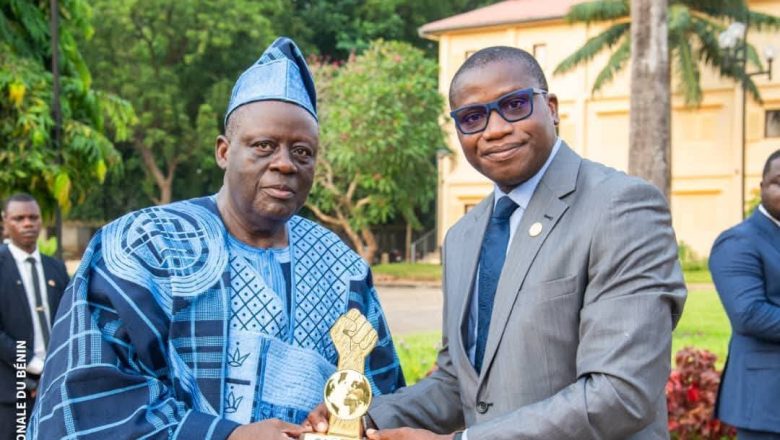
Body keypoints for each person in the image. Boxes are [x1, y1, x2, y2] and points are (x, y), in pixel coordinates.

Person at [29, 37, 404, 440]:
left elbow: (379, 393)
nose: (284, 164)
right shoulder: (141, 246)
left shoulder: (341, 267)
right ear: (224, 151)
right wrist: (224, 435)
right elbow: (88, 400)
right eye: (264, 146)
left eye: (302, 152)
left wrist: (353, 419)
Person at [306, 46, 686, 439]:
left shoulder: (621, 207)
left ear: (551, 108)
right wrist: (363, 416)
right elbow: (461, 383)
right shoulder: (463, 237)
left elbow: (621, 393)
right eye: (473, 117)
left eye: (515, 104)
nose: (496, 128)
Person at [710, 149, 780, 440]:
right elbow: (750, 314)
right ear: (761, 186)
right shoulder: (739, 241)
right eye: (779, 181)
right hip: (767, 400)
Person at [0, 193, 68, 439]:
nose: (28, 223)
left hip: (56, 385)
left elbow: (68, 321)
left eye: (33, 217)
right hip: (13, 389)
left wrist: (54, 370)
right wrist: (35, 367)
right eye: (19, 218)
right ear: (5, 222)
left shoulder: (56, 268)